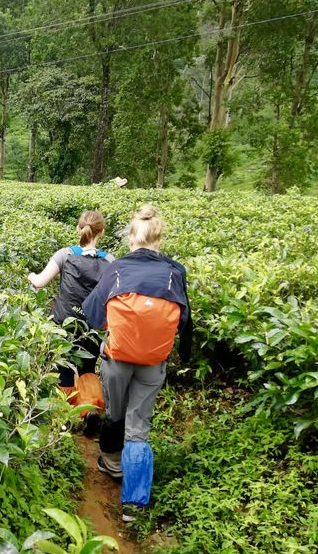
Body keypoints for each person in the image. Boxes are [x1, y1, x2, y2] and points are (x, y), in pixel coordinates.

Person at [82, 204, 192, 523]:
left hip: (117, 359)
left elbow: (92, 314)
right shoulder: (175, 271)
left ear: (132, 237)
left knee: (115, 413)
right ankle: (134, 504)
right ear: (159, 238)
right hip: (153, 363)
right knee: (139, 427)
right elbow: (184, 320)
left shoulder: (117, 269)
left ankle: (112, 464)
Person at [28, 211, 115, 436]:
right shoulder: (109, 261)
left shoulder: (65, 255)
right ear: (101, 233)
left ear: (79, 229)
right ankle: (90, 410)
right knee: (87, 368)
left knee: (64, 369)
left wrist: (30, 276)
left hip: (64, 324)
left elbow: (40, 282)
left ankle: (64, 420)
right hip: (94, 327)